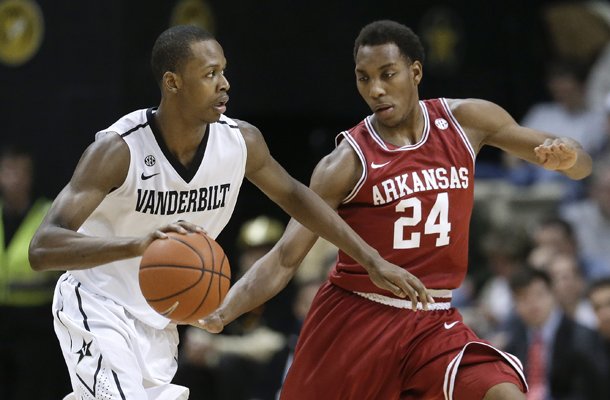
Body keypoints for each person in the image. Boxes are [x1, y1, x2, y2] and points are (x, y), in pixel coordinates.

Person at [28, 25, 430, 400]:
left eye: (224, 71)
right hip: (98, 304)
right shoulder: (118, 152)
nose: (225, 83)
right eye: (210, 74)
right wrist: (137, 245)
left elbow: (301, 199)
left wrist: (371, 259)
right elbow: (42, 248)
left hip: (162, 320)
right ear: (173, 83)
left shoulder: (241, 144)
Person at [200, 20, 593, 400]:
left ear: (415, 71)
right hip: (356, 320)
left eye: (387, 74)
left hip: (433, 319)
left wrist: (567, 160)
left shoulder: (467, 121)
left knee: (503, 391)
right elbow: (285, 258)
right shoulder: (345, 163)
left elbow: (578, 162)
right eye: (364, 77)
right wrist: (223, 311)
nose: (376, 90)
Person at [0, 144, 70, 400]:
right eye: (9, 171)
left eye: (21, 172)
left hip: (36, 323)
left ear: (30, 176)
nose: (15, 179)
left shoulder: (48, 215)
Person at [504, 267, 608, 399]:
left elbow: (589, 392)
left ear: (553, 293)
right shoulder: (514, 340)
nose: (532, 304)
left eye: (538, 294)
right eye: (523, 298)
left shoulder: (582, 337)